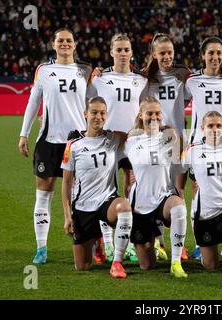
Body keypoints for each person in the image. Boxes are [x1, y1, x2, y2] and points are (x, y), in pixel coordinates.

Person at [18, 28, 92, 264]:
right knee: (44, 194)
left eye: (69, 40)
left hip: (79, 142)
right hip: (49, 141)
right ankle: (41, 248)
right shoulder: (44, 70)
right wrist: (24, 134)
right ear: (53, 44)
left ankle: (90, 244)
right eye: (61, 40)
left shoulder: (86, 71)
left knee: (83, 197)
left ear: (75, 44)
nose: (65, 44)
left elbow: (96, 104)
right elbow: (33, 101)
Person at [88, 33, 147, 264]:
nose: (123, 53)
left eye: (126, 50)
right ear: (111, 52)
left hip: (132, 143)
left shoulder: (140, 80)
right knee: (107, 194)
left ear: (131, 52)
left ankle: (130, 243)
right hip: (108, 143)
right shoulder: (100, 79)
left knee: (133, 191)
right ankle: (108, 244)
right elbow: (89, 105)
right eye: (119, 50)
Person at [61, 97, 133, 278]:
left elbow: (138, 135)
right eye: (94, 112)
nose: (98, 117)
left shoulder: (114, 138)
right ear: (85, 114)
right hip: (83, 207)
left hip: (107, 202)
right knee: (82, 266)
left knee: (124, 207)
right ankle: (98, 241)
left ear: (106, 115)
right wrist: (67, 216)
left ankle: (117, 262)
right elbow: (66, 182)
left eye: (102, 113)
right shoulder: (73, 145)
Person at [184, 36, 222, 260]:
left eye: (219, 53)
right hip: (198, 142)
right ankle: (199, 241)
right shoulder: (191, 81)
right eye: (211, 53)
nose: (215, 57)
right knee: (199, 191)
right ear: (203, 56)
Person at [125, 96, 188, 278]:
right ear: (141, 115)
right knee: (147, 265)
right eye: (149, 113)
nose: (154, 117)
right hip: (141, 204)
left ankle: (176, 262)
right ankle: (154, 243)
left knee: (178, 207)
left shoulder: (170, 137)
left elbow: (178, 167)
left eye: (158, 113)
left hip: (163, 198)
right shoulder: (131, 142)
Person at [142, 33, 191, 261]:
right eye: (162, 53)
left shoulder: (182, 76)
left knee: (178, 190)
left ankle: (178, 245)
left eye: (170, 52)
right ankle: (159, 241)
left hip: (177, 142)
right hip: (154, 144)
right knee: (156, 191)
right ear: (154, 54)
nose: (167, 57)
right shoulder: (146, 79)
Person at [181, 111, 222, 276]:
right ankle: (211, 251)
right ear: (203, 129)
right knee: (210, 264)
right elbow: (179, 170)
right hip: (206, 213)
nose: (215, 129)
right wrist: (178, 191)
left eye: (219, 125)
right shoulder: (193, 151)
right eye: (210, 126)